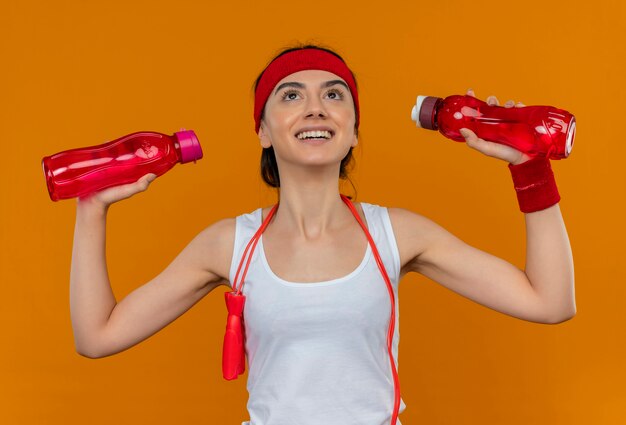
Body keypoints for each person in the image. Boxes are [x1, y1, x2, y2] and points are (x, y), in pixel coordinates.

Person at [69, 44, 576, 425]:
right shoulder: (230, 245)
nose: (316, 108)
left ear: (353, 128)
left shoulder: (396, 233)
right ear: (264, 131)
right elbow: (97, 336)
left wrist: (530, 167)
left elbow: (549, 302)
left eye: (334, 95)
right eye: (291, 95)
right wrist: (91, 209)